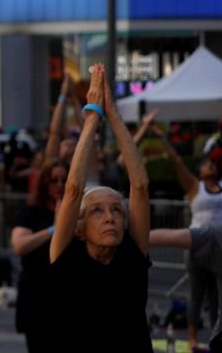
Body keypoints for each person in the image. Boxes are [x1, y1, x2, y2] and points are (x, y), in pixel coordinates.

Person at [48, 63, 151, 352]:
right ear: (79, 228)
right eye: (98, 211)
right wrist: (92, 114)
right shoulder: (66, 255)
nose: (110, 218)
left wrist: (114, 115)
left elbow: (140, 187)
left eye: (117, 211)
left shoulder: (132, 252)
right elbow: (72, 192)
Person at [147, 109, 222, 350]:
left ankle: (214, 337)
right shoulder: (194, 186)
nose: (209, 165)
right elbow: (177, 161)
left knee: (216, 297)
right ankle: (191, 340)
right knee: (197, 293)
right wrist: (162, 139)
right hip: (196, 244)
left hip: (219, 246)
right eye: (206, 163)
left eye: (212, 163)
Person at [10, 157, 66, 352]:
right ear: (44, 183)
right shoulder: (30, 212)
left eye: (64, 179)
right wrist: (54, 229)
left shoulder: (77, 214)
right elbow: (19, 246)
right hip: (37, 296)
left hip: (66, 298)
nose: (60, 185)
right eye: (54, 180)